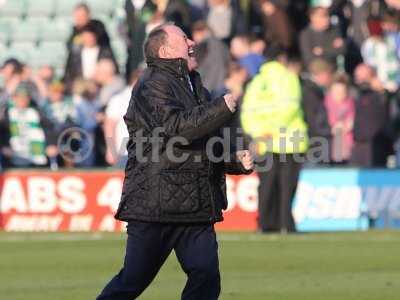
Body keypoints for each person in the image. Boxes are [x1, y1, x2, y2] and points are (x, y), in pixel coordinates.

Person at [96, 23, 254, 300]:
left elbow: (202, 143)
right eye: (184, 38)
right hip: (156, 203)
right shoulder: (152, 83)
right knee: (132, 281)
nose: (192, 41)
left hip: (194, 205)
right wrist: (221, 107)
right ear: (166, 50)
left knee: (205, 275)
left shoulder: (194, 83)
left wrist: (233, 161)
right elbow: (175, 130)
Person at [241, 50, 308, 233]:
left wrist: (260, 134)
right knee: (287, 187)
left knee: (267, 185)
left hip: (264, 142)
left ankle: (265, 224)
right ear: (282, 59)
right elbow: (291, 107)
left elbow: (247, 114)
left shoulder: (255, 82)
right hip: (291, 141)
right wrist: (274, 129)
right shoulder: (289, 78)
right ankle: (286, 224)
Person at [63, 23, 118, 93]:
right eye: (86, 36)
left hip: (100, 87)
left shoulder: (105, 52)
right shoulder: (75, 53)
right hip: (80, 88)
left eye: (90, 36)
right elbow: (68, 74)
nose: (88, 39)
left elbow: (113, 71)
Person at [302, 58, 334, 163]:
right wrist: (328, 130)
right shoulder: (312, 93)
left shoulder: (307, 89)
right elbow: (314, 121)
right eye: (330, 74)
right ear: (323, 74)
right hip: (314, 144)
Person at [324, 73, 355, 164]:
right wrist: (331, 128)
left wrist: (349, 125)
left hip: (348, 147)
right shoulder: (324, 106)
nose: (339, 95)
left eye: (342, 92)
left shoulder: (352, 104)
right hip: (327, 148)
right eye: (336, 91)